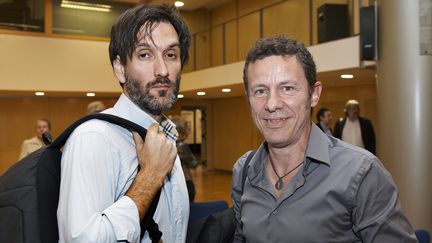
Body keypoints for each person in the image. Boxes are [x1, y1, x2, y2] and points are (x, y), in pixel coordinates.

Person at [231, 36, 417, 242]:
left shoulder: (361, 173)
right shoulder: (243, 171)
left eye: (287, 88)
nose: (272, 103)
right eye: (260, 91)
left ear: (314, 94)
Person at [57, 4, 191, 243]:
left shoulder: (167, 138)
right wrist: (150, 177)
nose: (162, 70)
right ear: (120, 69)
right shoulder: (94, 138)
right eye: (144, 54)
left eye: (171, 55)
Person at [171, 116, 198, 202]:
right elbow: (193, 164)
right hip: (186, 182)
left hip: (172, 183)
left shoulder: (167, 145)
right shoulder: (183, 146)